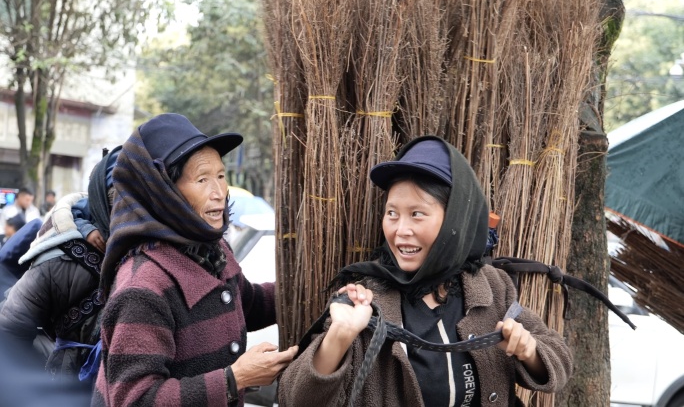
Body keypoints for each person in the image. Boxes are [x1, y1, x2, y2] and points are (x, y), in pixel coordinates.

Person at [279, 136, 573, 406]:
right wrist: (340, 336)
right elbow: (295, 398)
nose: (400, 230)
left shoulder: (492, 288)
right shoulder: (366, 302)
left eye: (417, 214)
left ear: (454, 220)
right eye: (392, 213)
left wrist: (529, 350)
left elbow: (560, 362)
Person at [92, 113, 297, 407]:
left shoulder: (212, 251)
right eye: (202, 179)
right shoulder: (142, 287)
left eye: (221, 176)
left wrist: (317, 290)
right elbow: (136, 400)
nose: (219, 193)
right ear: (164, 192)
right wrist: (234, 379)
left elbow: (248, 304)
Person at [0, 147, 121, 395]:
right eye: (122, 199)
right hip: (66, 383)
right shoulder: (59, 260)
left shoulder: (160, 252)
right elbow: (10, 333)